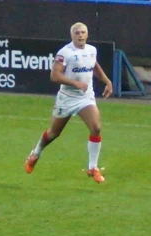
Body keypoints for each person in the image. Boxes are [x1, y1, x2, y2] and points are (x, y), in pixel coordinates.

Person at [23, 22, 114, 184]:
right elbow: (54, 75)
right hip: (67, 98)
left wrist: (107, 81)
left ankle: (93, 168)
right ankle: (35, 153)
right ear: (72, 35)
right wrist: (75, 83)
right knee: (54, 133)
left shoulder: (91, 50)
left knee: (96, 127)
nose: (80, 35)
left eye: (83, 32)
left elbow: (94, 66)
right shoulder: (65, 53)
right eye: (77, 33)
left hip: (85, 97)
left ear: (87, 34)